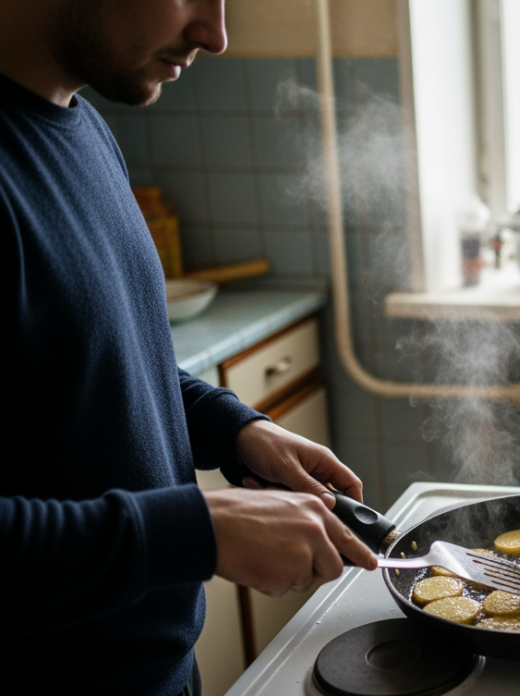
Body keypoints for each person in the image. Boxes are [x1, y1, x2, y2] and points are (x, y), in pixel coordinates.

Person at [0, 2, 379, 694]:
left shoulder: (83, 125)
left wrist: (233, 428)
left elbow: (95, 363)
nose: (217, 34)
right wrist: (197, 530)